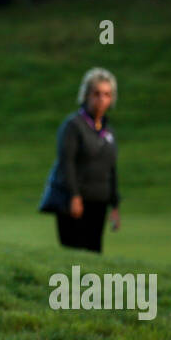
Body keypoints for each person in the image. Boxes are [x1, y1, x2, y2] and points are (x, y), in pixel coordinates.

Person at [39, 68, 121, 252]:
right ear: (86, 95)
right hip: (75, 203)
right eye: (96, 94)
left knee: (94, 254)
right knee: (74, 256)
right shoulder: (73, 126)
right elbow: (66, 163)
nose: (101, 99)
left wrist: (114, 204)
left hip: (99, 202)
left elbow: (111, 168)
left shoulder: (109, 131)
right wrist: (74, 196)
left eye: (107, 94)